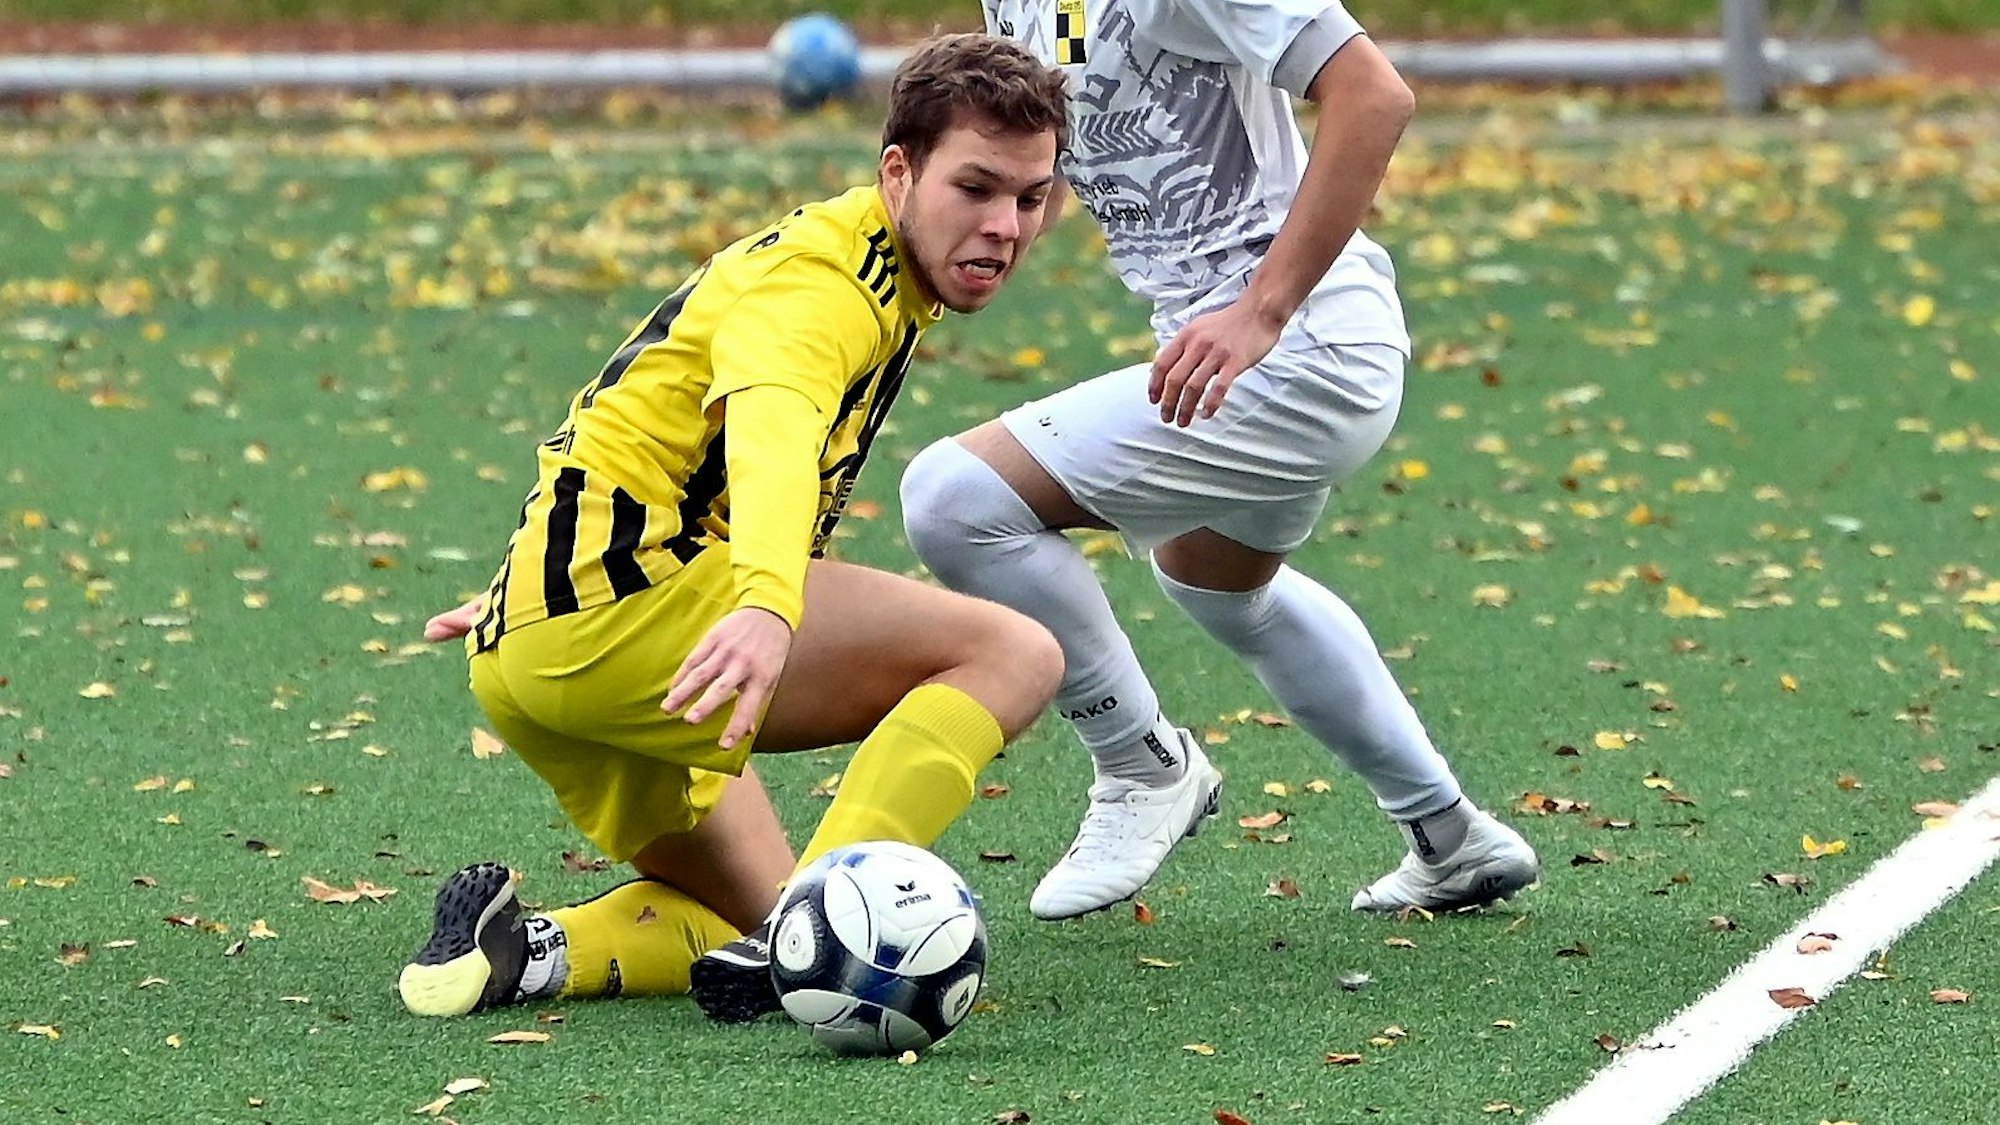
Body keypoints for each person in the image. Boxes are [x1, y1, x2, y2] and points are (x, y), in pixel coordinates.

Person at [397, 33, 1072, 1023]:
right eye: (975, 188)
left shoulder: (862, 271)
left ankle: (526, 952)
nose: (1006, 224)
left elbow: (631, 424)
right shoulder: (824, 287)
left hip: (538, 645)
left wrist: (532, 592)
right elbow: (768, 437)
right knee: (1014, 655)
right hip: (633, 611)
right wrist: (765, 603)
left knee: (765, 930)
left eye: (1031, 196)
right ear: (898, 171)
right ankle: (821, 924)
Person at [899, 0, 1539, 921]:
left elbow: (1373, 95)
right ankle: (1451, 837)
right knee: (1216, 583)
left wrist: (1263, 311)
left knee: (953, 498)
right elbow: (1069, 135)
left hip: (1304, 348)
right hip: (1229, 359)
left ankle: (1140, 765)